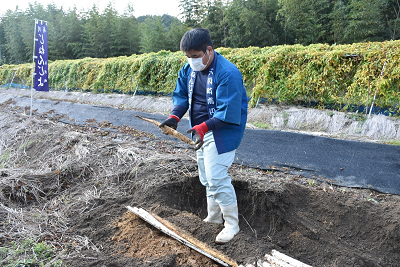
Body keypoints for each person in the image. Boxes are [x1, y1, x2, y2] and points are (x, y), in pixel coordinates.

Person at [159, 28, 248, 244]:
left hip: (222, 131)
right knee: (206, 178)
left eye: (196, 57)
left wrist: (203, 127)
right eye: (188, 57)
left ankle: (232, 225)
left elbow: (228, 112)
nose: (192, 61)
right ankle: (214, 217)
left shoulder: (228, 73)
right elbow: (181, 96)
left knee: (217, 177)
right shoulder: (189, 70)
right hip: (199, 129)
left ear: (209, 50)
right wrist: (174, 117)